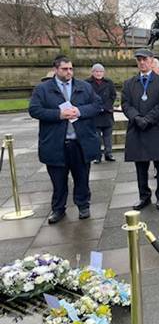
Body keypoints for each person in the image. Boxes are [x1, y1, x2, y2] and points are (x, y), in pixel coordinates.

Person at [29, 55, 102, 224]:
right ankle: (58, 209)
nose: (69, 72)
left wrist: (80, 111)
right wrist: (58, 114)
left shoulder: (84, 87)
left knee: (82, 177)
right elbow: (34, 110)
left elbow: (97, 105)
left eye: (71, 68)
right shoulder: (43, 89)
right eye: (64, 69)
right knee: (58, 181)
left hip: (80, 143)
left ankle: (83, 205)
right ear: (56, 69)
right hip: (56, 144)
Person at [122, 48, 159, 210]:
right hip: (138, 129)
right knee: (140, 166)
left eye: (145, 59)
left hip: (156, 129)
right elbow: (125, 104)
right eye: (139, 60)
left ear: (152, 61)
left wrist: (148, 119)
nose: (142, 62)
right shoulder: (129, 83)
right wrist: (137, 118)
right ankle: (144, 196)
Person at [86, 63, 117, 164]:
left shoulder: (109, 82)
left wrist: (106, 107)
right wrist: (96, 107)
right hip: (95, 114)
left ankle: (109, 154)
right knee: (96, 137)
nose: (99, 73)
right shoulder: (87, 83)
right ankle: (97, 156)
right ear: (92, 72)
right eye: (96, 71)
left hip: (107, 113)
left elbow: (113, 96)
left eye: (101, 71)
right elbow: (86, 97)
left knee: (108, 136)